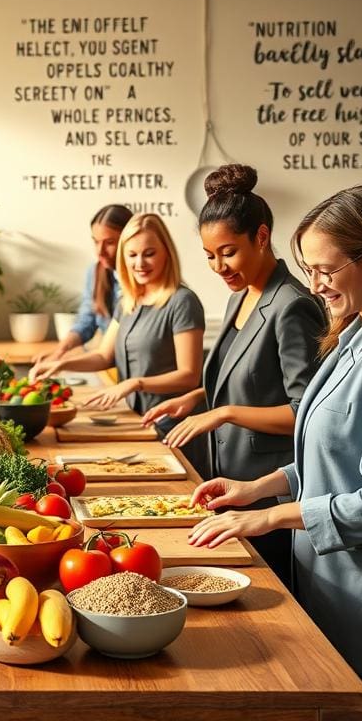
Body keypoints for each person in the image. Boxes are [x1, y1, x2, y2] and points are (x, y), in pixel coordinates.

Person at [189, 186, 362, 721]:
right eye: (310, 270)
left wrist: (270, 517)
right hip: (326, 578)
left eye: (325, 270)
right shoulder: (357, 329)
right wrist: (256, 488)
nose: (313, 285)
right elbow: (329, 456)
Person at [140, 165, 325, 586]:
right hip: (230, 482)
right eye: (209, 255)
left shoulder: (291, 305)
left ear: (261, 236)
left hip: (270, 492)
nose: (218, 266)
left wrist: (222, 413)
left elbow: (306, 414)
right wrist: (197, 398)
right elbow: (247, 380)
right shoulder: (240, 296)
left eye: (227, 252)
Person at [30, 213, 206, 468]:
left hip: (173, 427)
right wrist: (62, 363)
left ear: (167, 253)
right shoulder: (128, 301)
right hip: (138, 420)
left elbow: (189, 376)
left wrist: (134, 383)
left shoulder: (183, 302)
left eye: (149, 254)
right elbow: (104, 356)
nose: (139, 263)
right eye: (132, 255)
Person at [33, 204, 133, 363]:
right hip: (109, 364)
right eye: (96, 242)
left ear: (130, 240)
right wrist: (60, 351)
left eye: (109, 242)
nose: (100, 251)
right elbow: (87, 321)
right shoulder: (95, 273)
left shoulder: (142, 279)